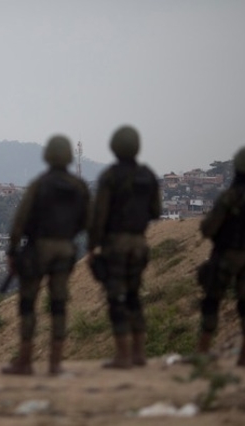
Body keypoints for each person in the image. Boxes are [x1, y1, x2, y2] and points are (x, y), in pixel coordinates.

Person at [1, 135, 90, 376]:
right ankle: (55, 363)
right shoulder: (79, 187)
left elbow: (20, 221)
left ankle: (25, 362)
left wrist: (11, 250)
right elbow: (86, 219)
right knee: (59, 304)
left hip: (37, 250)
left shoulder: (39, 185)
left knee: (29, 304)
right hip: (64, 249)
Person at [87, 125, 161, 369]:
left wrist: (92, 246)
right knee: (134, 297)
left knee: (116, 298)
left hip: (115, 245)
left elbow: (99, 215)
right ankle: (139, 354)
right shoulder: (148, 176)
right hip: (139, 243)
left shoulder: (110, 177)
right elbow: (156, 211)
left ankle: (122, 355)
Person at [196, 146, 245, 367]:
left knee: (212, 301)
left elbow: (209, 228)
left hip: (227, 256)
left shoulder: (229, 197)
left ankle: (202, 351)